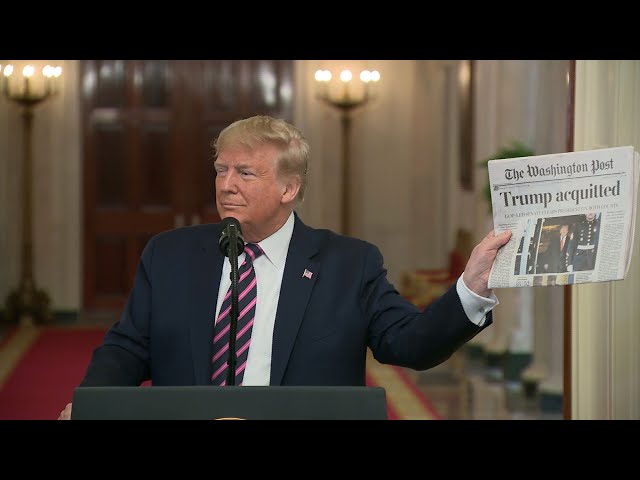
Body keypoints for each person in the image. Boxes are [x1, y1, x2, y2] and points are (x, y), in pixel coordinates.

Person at [58, 115, 511, 419]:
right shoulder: (169, 255)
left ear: (289, 189)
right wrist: (90, 403)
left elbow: (411, 344)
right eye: (221, 170)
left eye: (245, 173)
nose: (226, 185)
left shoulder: (348, 264)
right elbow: (127, 348)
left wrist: (470, 288)